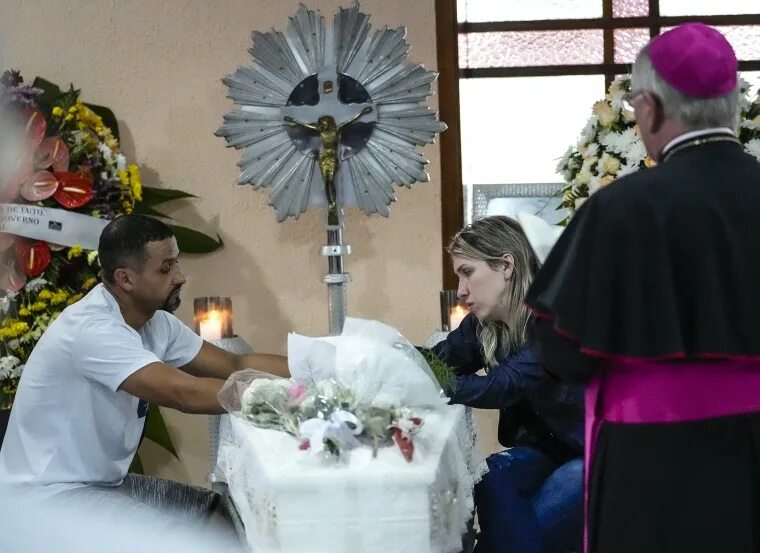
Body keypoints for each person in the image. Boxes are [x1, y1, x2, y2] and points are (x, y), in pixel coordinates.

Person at [526, 23, 760, 553]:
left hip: (654, 463)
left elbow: (564, 351)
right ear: (732, 107)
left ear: (649, 108)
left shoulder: (622, 207)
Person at [0, 214, 288, 524]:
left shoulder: (157, 322)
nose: (180, 277)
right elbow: (183, 393)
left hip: (104, 487)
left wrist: (315, 370)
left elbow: (235, 364)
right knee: (178, 543)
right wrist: (289, 398)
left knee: (217, 517)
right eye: (166, 268)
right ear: (125, 279)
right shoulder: (92, 330)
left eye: (176, 263)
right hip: (48, 499)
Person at [430, 216, 584, 553]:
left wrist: (425, 378)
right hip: (550, 447)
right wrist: (392, 357)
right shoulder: (484, 324)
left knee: (534, 529)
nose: (462, 291)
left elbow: (502, 385)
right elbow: (440, 361)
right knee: (491, 476)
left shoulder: (555, 318)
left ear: (506, 265)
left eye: (467, 272)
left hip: (597, 452)